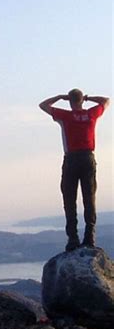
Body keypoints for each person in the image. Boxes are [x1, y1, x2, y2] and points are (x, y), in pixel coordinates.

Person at [39, 89, 110, 251]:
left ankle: (73, 239)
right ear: (81, 100)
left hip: (71, 160)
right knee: (89, 198)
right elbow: (106, 100)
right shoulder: (91, 114)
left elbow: (43, 105)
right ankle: (90, 237)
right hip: (88, 158)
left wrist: (59, 97)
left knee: (69, 199)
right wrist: (88, 98)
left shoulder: (65, 116)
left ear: (69, 101)